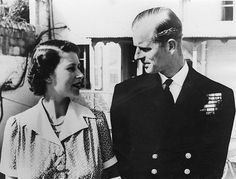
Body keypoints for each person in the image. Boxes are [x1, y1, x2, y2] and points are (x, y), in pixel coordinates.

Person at [110, 7, 235, 178]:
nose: (136, 56)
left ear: (170, 46)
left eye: (145, 49)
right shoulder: (125, 94)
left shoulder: (218, 95)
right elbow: (123, 161)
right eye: (136, 48)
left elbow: (212, 166)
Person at [0, 39, 120, 179]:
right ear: (48, 75)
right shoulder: (17, 127)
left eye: (79, 67)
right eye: (71, 68)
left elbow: (113, 176)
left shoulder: (96, 122)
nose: (80, 74)